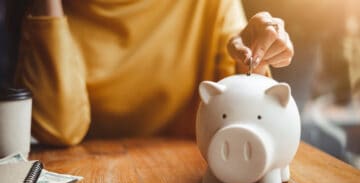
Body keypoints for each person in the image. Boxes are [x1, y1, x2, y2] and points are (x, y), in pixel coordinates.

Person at [12, 0, 294, 146]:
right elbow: (57, 129)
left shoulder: (207, 4)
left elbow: (251, 118)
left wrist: (254, 59)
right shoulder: (52, 12)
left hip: (185, 176)